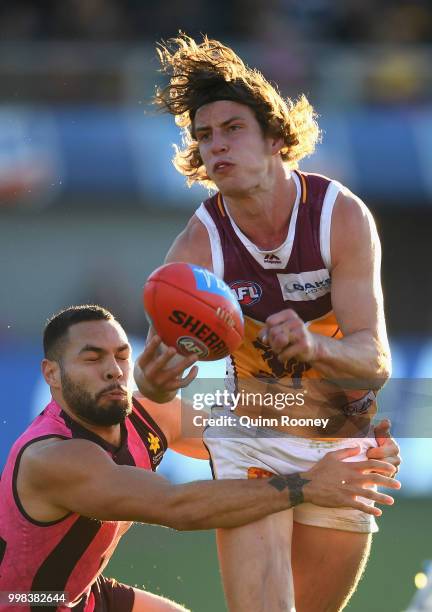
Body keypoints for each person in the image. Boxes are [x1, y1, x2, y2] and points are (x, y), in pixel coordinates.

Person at [134, 34, 402, 612]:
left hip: (339, 434)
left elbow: (375, 363)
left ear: (277, 138)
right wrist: (158, 377)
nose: (216, 147)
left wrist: (313, 346)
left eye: (233, 129)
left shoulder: (340, 216)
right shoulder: (197, 244)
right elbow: (153, 381)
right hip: (251, 431)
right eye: (204, 136)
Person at [0, 305, 400, 612]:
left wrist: (351, 446)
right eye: (92, 359)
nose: (113, 371)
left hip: (76, 595)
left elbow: (250, 439)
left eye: (121, 356)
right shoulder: (55, 457)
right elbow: (178, 506)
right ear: (51, 373)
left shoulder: (149, 415)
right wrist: (308, 484)